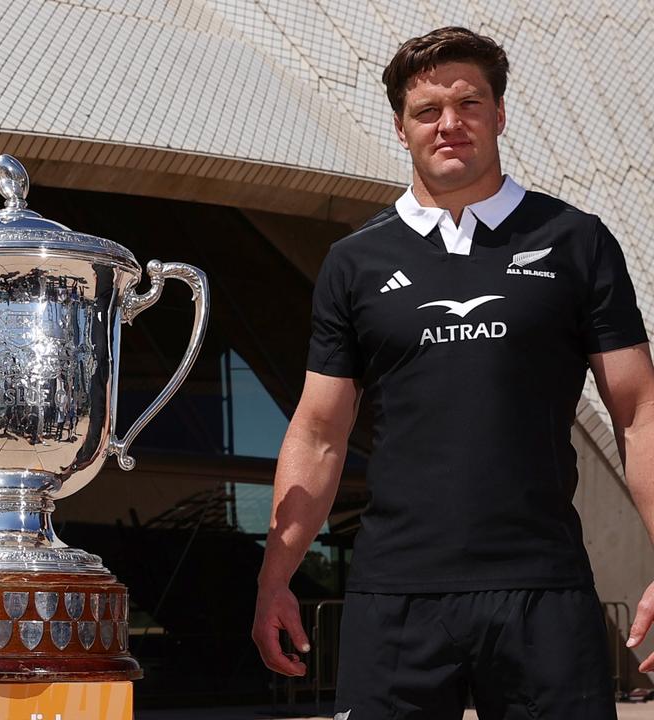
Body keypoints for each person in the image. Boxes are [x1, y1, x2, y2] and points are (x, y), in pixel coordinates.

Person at [252, 26, 654, 719]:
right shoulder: (355, 263)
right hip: (396, 597)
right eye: (428, 111)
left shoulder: (575, 239)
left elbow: (639, 413)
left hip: (543, 590)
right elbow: (319, 435)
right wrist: (275, 575)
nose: (450, 125)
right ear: (402, 128)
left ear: (499, 115)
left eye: (469, 104)